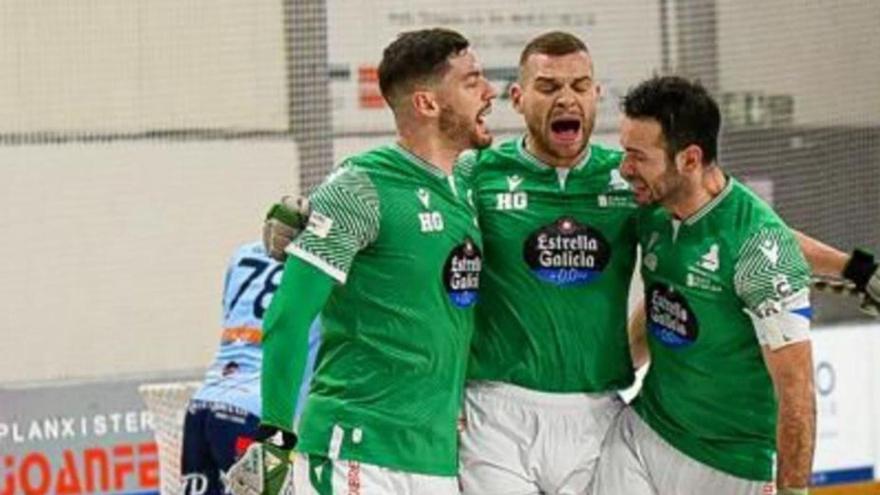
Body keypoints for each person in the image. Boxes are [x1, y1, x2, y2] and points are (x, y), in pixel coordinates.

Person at [261, 32, 880, 495]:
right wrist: (304, 210)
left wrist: (853, 268)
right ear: (519, 98)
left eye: (580, 87)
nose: (567, 98)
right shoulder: (477, 172)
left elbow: (742, 225)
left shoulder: (631, 180)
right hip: (494, 411)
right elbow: (397, 183)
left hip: (597, 416)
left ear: (596, 97)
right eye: (550, 87)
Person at [227, 28, 497, 495]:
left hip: (435, 459)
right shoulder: (358, 190)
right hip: (355, 450)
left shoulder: (471, 179)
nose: (490, 93)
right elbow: (288, 319)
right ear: (428, 104)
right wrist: (274, 437)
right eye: (472, 82)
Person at [591, 75, 815, 494]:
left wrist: (793, 491)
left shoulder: (759, 249)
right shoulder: (653, 208)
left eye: (638, 156)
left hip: (729, 466)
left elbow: (797, 393)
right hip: (642, 434)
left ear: (689, 160)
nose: (624, 169)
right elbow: (664, 297)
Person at [181, 241, 319, 495]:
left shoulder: (243, 254)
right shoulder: (321, 267)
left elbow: (229, 311)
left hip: (202, 404)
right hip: (257, 413)